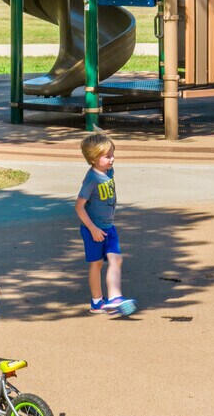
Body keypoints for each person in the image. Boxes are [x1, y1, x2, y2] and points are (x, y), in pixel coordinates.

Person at [75, 133, 136, 316]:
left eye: (112, 154)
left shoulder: (109, 171)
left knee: (116, 259)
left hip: (109, 227)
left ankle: (115, 297)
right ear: (93, 159)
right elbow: (79, 207)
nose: (112, 159)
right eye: (108, 156)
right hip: (93, 229)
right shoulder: (92, 179)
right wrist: (93, 229)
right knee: (97, 264)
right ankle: (97, 302)